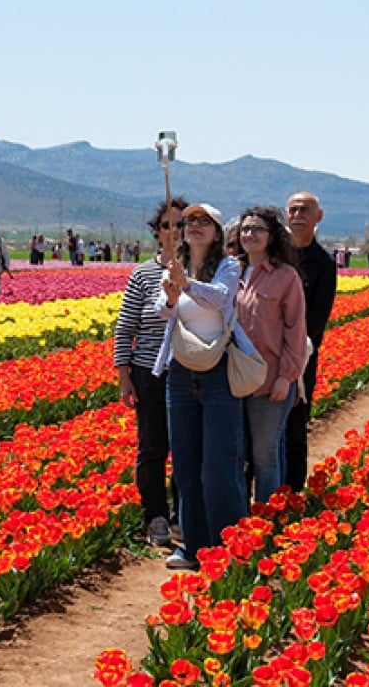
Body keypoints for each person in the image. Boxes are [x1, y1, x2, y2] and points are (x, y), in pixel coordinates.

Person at [153, 203, 247, 570]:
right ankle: (193, 546)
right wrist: (172, 293)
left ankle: (227, 546)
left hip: (218, 370)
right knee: (186, 464)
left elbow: (222, 298)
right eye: (189, 221)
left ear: (217, 231)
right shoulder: (175, 266)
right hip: (181, 370)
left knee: (220, 462)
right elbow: (163, 311)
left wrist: (187, 284)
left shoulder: (229, 266)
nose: (194, 226)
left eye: (203, 221)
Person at [115, 197, 186, 548]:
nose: (174, 232)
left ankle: (181, 517)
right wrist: (124, 376)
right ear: (157, 232)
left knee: (187, 446)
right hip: (148, 371)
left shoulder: (199, 272)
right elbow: (125, 326)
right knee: (153, 446)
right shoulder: (143, 274)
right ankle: (155, 515)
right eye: (167, 225)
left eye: (181, 225)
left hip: (190, 370)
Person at [235, 206, 307, 505]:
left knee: (265, 454)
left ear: (272, 236)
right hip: (231, 379)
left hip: (270, 379)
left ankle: (267, 520)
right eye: (245, 229)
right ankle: (237, 516)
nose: (250, 235)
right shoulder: (230, 271)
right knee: (236, 452)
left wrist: (286, 377)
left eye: (257, 229)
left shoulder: (285, 277)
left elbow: (295, 330)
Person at [282, 192, 337, 492]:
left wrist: (288, 354)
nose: (298, 214)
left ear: (319, 216)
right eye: (293, 209)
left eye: (305, 209)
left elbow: (316, 321)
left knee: (294, 427)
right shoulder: (275, 257)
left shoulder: (324, 264)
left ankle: (291, 492)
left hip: (301, 358)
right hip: (263, 356)